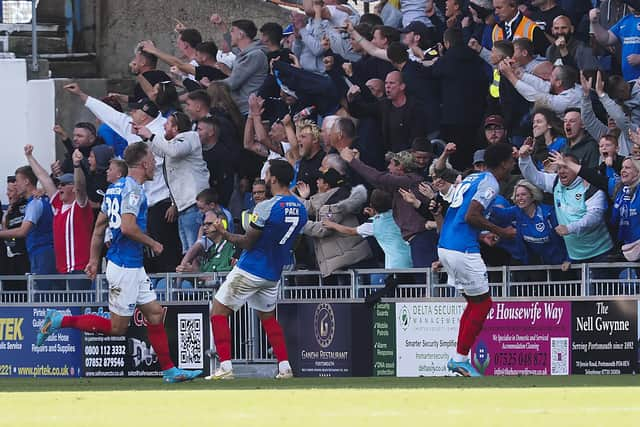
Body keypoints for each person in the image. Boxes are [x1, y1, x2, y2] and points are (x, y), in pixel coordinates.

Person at [35, 142, 202, 383]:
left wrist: (93, 260)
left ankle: (169, 371)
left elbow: (99, 227)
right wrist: (152, 243)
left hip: (130, 265)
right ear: (144, 164)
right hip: (124, 266)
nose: (155, 164)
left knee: (155, 314)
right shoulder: (133, 190)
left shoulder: (115, 188)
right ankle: (61, 320)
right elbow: (127, 227)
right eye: (153, 161)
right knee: (117, 327)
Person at [207, 159, 307, 380]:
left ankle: (225, 367)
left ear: (272, 178)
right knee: (268, 318)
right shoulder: (301, 207)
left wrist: (223, 234)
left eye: (268, 173)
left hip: (251, 268)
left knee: (218, 311)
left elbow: (247, 242)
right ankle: (284, 367)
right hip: (274, 272)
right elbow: (296, 241)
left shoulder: (266, 207)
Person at [434, 143, 517, 377]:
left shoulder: (473, 178)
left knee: (475, 303)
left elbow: (462, 215)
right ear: (503, 163)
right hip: (462, 249)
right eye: (511, 161)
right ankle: (459, 359)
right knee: (483, 304)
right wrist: (502, 232)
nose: (513, 165)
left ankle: (459, 358)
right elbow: (471, 215)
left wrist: (482, 234)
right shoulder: (490, 183)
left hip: (447, 245)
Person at [133, 110, 210, 253]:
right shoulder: (175, 143)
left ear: (176, 128)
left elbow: (174, 151)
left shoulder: (189, 138)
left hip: (194, 203)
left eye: (167, 124)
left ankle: (197, 275)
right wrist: (144, 137)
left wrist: (150, 134)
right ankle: (191, 274)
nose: (164, 126)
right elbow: (162, 151)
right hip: (185, 206)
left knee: (195, 250)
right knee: (188, 250)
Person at [24, 145, 94, 285]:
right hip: (61, 270)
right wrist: (30, 157)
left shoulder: (80, 206)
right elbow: (44, 177)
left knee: (79, 306)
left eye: (64, 184)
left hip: (79, 270)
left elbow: (80, 185)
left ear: (73, 188)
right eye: (59, 184)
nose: (59, 187)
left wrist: (76, 165)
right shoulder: (57, 204)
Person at [323, 188, 412, 268]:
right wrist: (375, 214)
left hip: (395, 266)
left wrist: (332, 224)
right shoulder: (397, 214)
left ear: (371, 205)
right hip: (411, 260)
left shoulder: (373, 224)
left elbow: (350, 231)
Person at [0, 165, 56, 284]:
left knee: (42, 295)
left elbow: (22, 231)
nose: (16, 185)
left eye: (18, 181)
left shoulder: (34, 203)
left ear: (26, 181)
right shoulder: (37, 200)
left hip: (42, 253)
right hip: (39, 252)